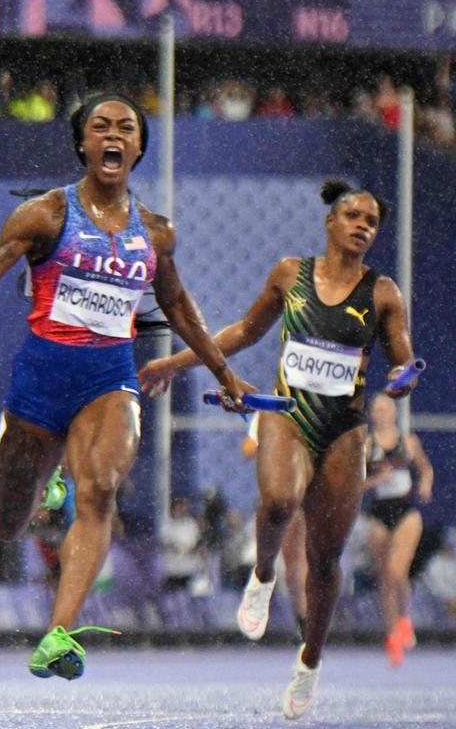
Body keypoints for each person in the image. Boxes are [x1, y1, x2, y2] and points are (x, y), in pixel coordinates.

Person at [0, 92, 251, 681]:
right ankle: (44, 486)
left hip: (109, 378)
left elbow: (179, 306)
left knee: (103, 487)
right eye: (100, 126)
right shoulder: (45, 215)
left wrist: (223, 372)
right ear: (83, 144)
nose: (113, 135)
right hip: (40, 379)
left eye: (125, 128)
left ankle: (57, 634)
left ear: (136, 148)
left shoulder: (156, 234)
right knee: (9, 522)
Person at [139, 179, 419, 719]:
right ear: (330, 223)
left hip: (343, 430)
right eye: (354, 216)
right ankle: (263, 574)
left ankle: (309, 661)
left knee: (326, 558)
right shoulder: (290, 274)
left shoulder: (382, 293)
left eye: (372, 221)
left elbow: (402, 355)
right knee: (277, 502)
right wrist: (176, 364)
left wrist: (405, 376)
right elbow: (244, 330)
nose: (363, 225)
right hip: (288, 417)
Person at [364, 392, 434, 666]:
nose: (381, 414)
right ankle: (392, 633)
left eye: (385, 409)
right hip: (380, 512)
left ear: (394, 412)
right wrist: (377, 479)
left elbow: (426, 469)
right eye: (377, 409)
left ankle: (405, 618)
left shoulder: (408, 441)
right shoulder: (367, 446)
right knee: (385, 578)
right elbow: (356, 485)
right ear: (372, 415)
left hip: (406, 512)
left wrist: (426, 484)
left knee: (397, 571)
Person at [242, 414, 308, 639]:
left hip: (310, 493)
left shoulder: (319, 405)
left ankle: (310, 622)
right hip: (283, 494)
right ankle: (302, 620)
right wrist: (275, 440)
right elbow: (248, 449)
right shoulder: (268, 412)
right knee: (292, 566)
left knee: (308, 561)